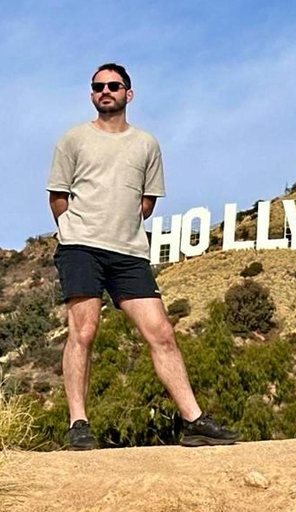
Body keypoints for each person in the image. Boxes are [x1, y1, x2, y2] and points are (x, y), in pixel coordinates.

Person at [47, 63, 238, 449]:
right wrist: (77, 232)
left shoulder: (146, 144)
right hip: (81, 246)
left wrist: (119, 228)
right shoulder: (73, 139)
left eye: (113, 86)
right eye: (98, 86)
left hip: (129, 252)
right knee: (83, 332)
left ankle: (194, 421)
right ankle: (78, 424)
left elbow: (146, 203)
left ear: (127, 94)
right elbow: (58, 197)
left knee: (162, 333)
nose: (105, 91)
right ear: (91, 94)